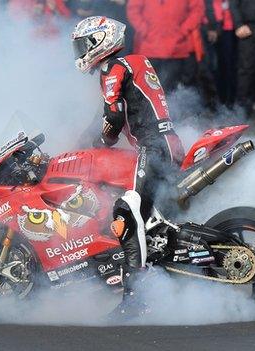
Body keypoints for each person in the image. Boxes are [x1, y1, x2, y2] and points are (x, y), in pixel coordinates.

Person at [71, 16, 185, 317]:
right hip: (169, 143)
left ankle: (136, 298)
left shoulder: (112, 68)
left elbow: (113, 120)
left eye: (83, 45)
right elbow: (107, 114)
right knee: (150, 214)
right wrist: (83, 142)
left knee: (125, 210)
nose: (80, 52)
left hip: (153, 147)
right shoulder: (135, 62)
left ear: (100, 42)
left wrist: (102, 140)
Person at [127, 0, 205, 92]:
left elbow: (197, 10)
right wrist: (145, 31)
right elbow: (133, 10)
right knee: (148, 91)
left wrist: (182, 31)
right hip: (150, 50)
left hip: (176, 50)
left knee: (172, 90)